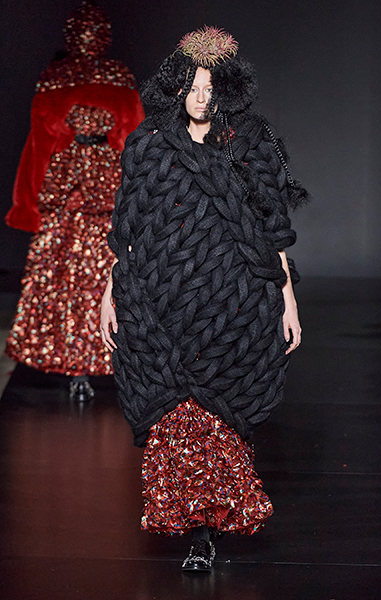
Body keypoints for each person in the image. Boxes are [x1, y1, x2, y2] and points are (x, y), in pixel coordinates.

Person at [101, 26, 308, 572]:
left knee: (220, 411)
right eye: (191, 86)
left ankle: (212, 526)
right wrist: (109, 291)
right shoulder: (148, 143)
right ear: (175, 86)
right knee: (174, 411)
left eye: (210, 88)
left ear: (228, 89)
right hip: (160, 296)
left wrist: (287, 299)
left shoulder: (250, 142)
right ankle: (189, 525)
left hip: (234, 299)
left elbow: (273, 229)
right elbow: (127, 229)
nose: (199, 98)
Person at [5, 0, 145, 401]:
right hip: (87, 185)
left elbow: (39, 147)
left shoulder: (60, 77)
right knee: (82, 271)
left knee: (75, 273)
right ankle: (89, 361)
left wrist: (27, 203)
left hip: (79, 185)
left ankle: (89, 360)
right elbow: (132, 140)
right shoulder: (111, 76)